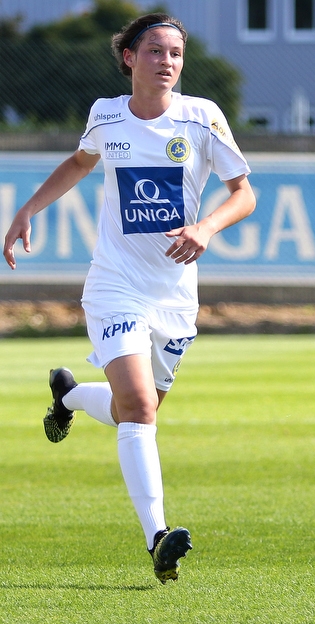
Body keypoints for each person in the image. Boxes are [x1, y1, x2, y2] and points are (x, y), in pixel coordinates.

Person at [2, 13, 255, 584]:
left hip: (174, 298)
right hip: (115, 287)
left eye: (177, 54)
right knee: (139, 408)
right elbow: (80, 162)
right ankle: (158, 539)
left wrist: (207, 228)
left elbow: (244, 194)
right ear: (129, 58)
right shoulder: (106, 114)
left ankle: (67, 399)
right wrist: (27, 209)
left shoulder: (202, 118)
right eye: (157, 51)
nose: (168, 62)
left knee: (129, 409)